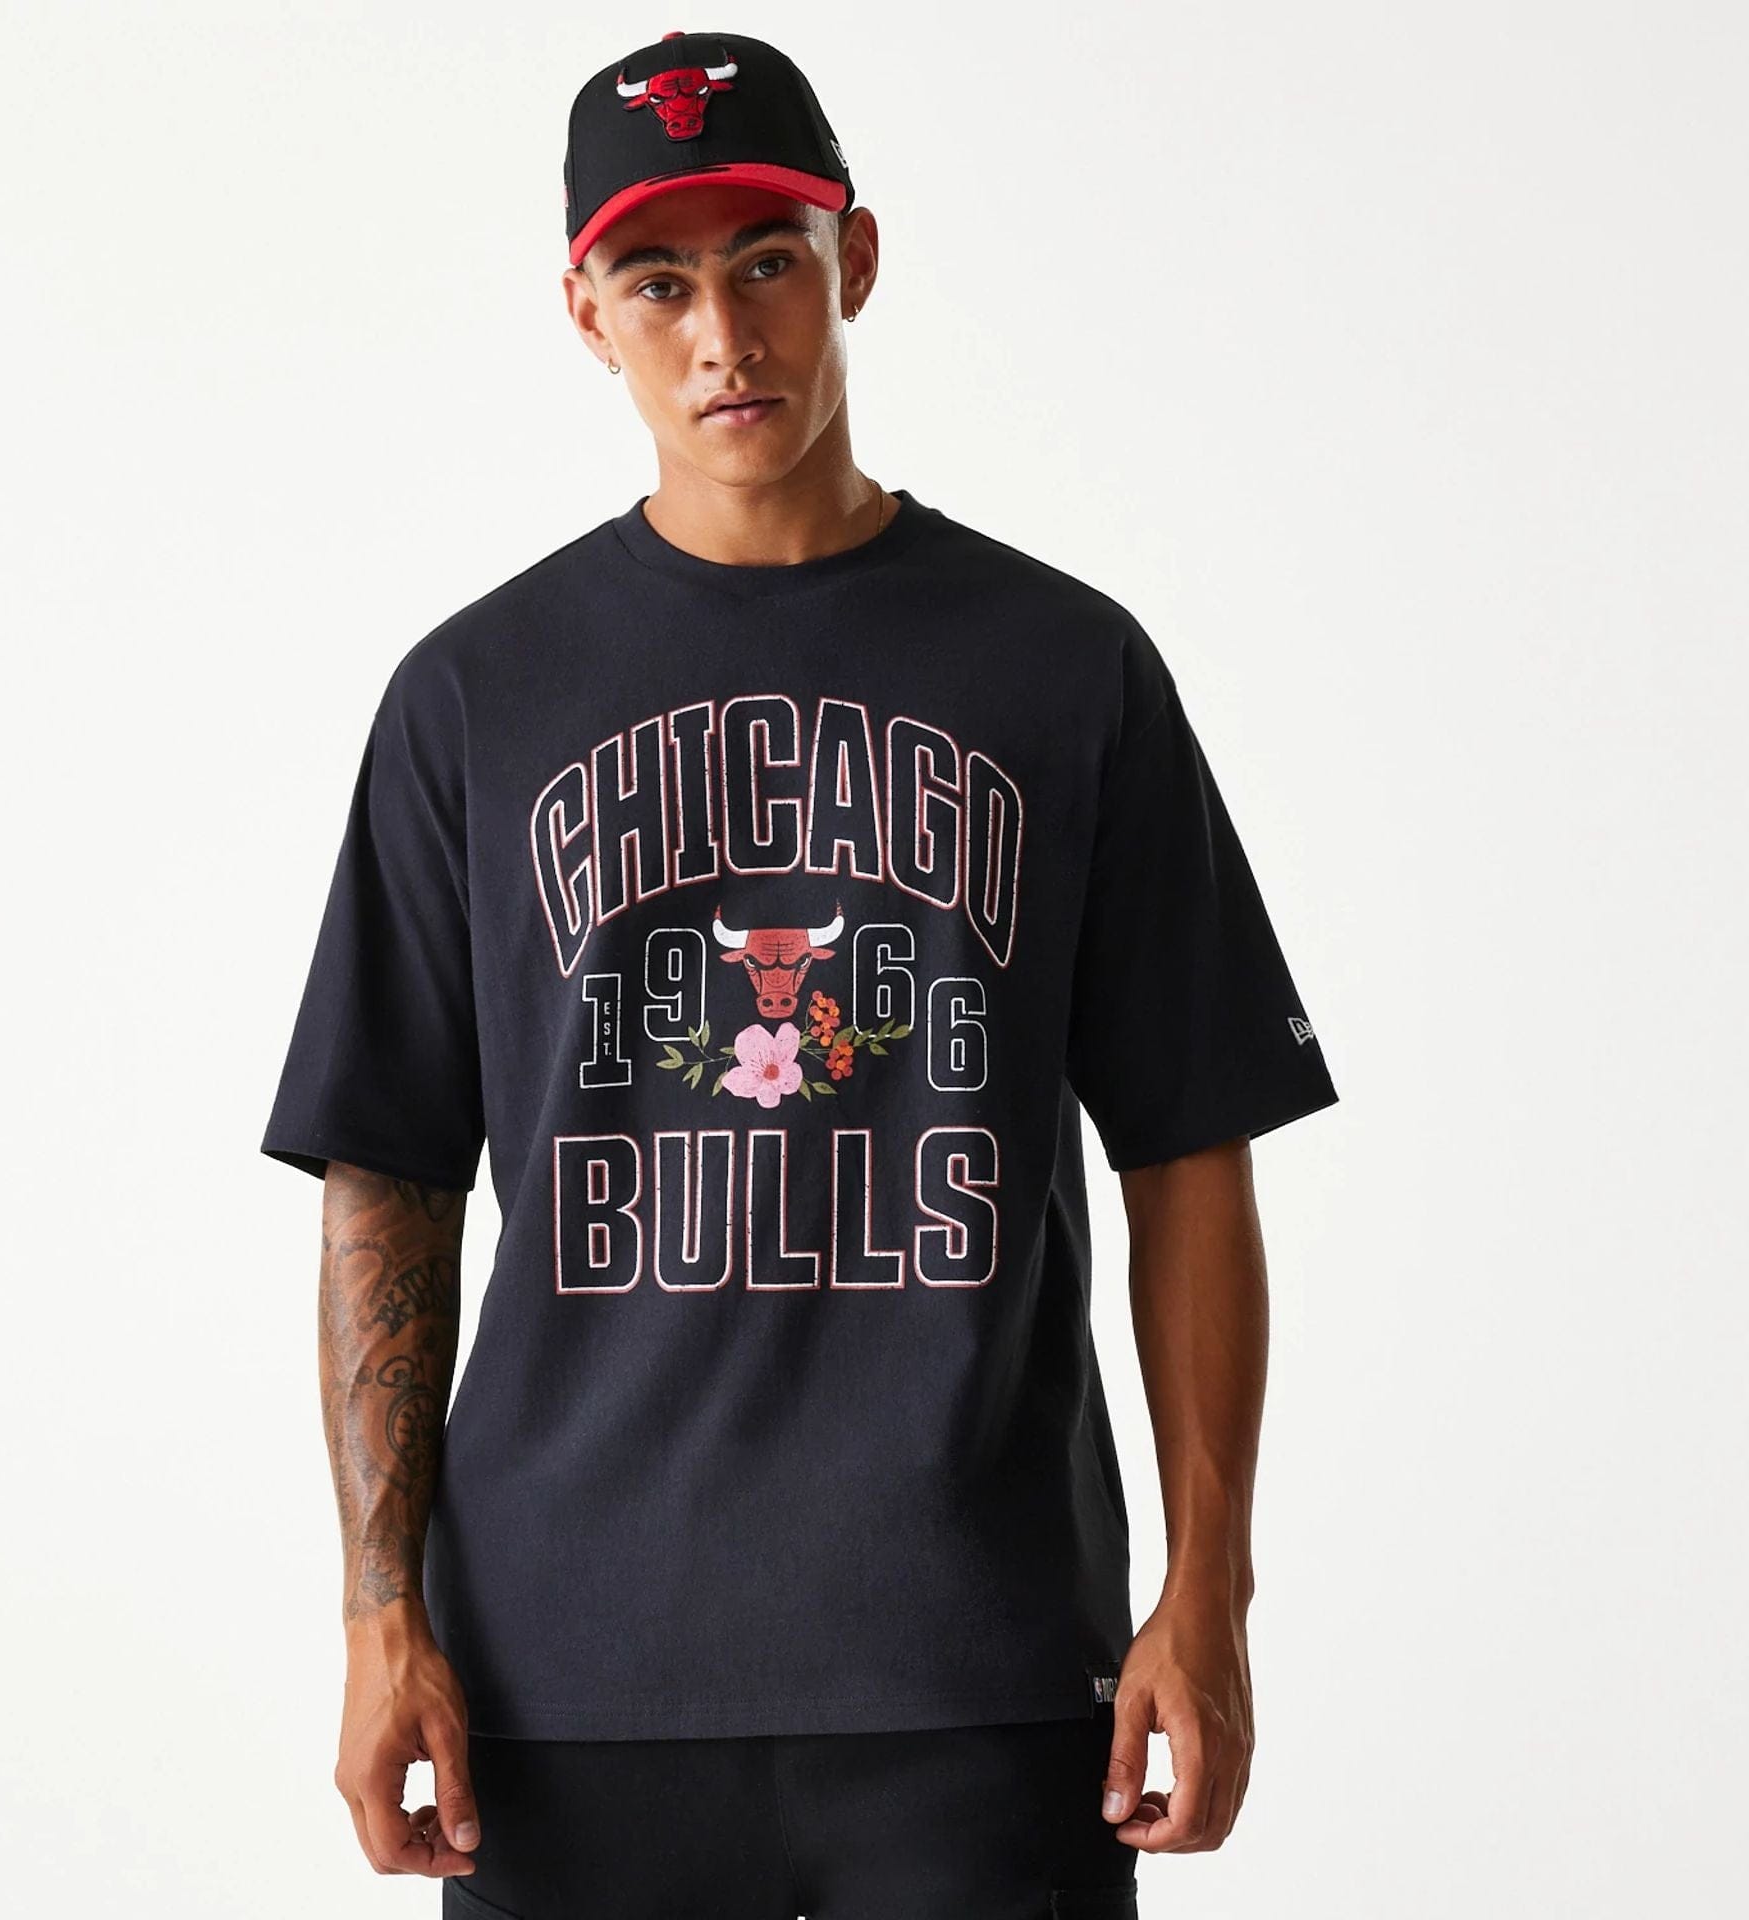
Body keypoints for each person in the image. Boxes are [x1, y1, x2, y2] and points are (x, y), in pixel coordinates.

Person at [260, 28, 1340, 1919]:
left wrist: (1211, 1591)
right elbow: (389, 1180)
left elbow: (1189, 1148)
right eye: (656, 282)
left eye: (767, 260)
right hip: (561, 1680)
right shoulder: (475, 698)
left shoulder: (1065, 669)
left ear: (856, 259)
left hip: (986, 1667)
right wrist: (377, 1619)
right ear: (585, 314)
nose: (722, 336)